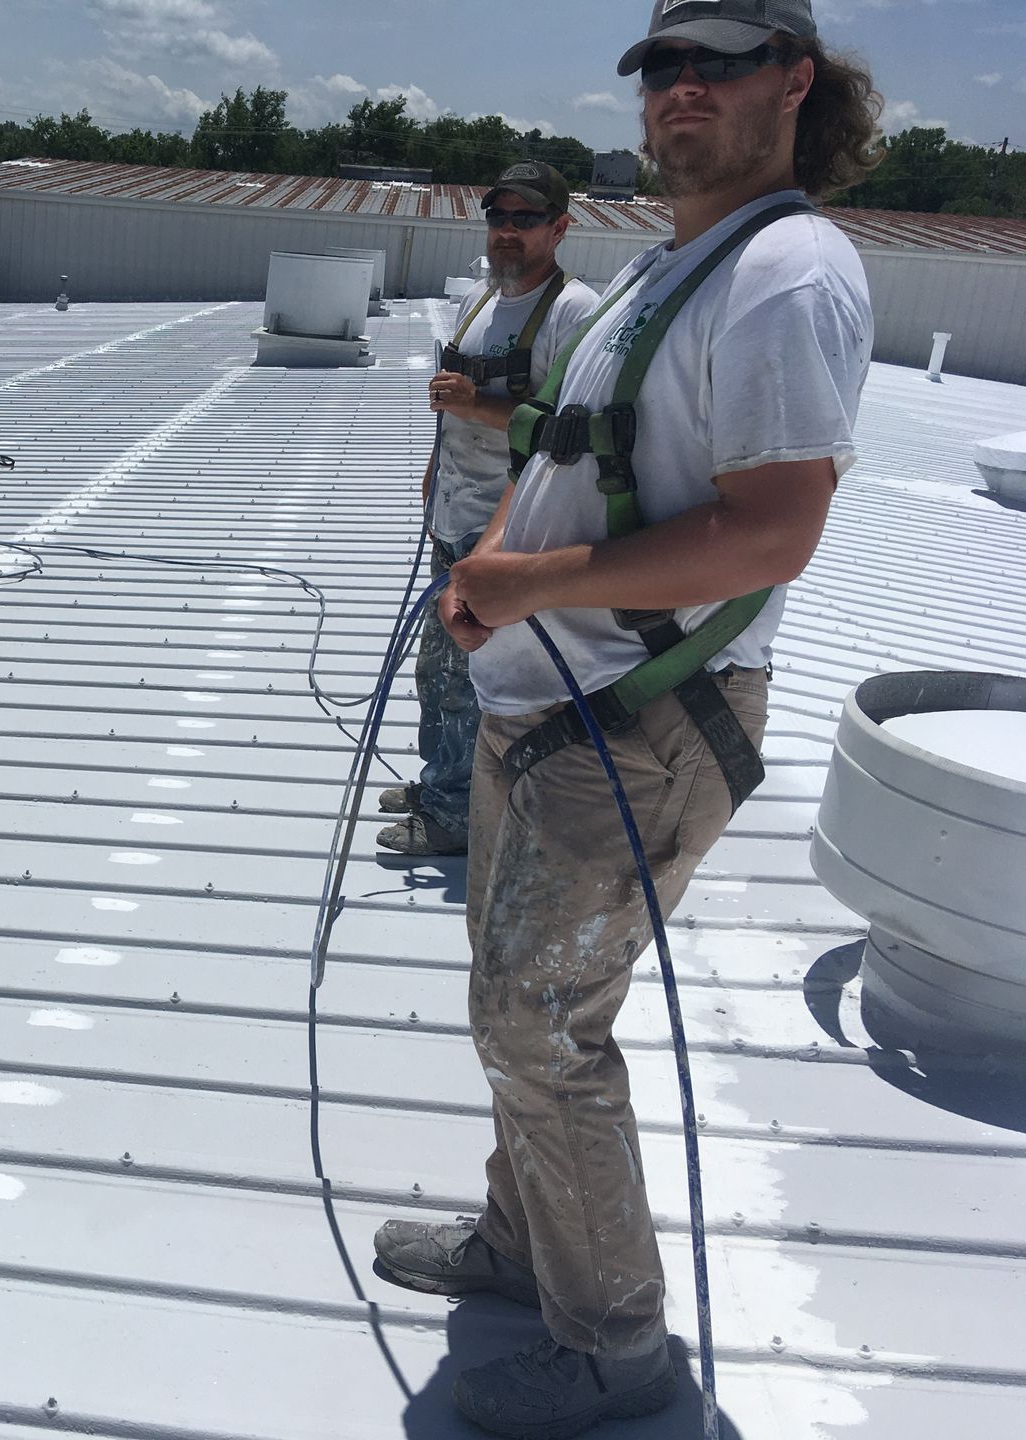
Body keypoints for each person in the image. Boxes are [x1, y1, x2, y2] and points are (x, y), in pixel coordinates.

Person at [373, 2, 881, 1435]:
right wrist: (498, 575)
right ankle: (522, 1244)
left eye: (719, 62)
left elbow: (771, 532)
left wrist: (530, 583)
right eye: (662, 66)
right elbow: (579, 460)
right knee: (512, 1010)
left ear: (796, 81)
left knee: (543, 1030)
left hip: (638, 724)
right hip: (552, 707)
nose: (681, 89)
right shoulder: (676, 263)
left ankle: (613, 1354)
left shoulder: (784, 273)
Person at [378, 162, 598, 858]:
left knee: (476, 677)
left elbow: (570, 435)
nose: (507, 231)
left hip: (505, 532)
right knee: (440, 672)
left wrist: (478, 406)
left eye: (525, 219)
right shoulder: (479, 299)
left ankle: (458, 814)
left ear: (559, 228)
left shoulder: (574, 313)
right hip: (454, 516)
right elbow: (457, 407)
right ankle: (445, 782)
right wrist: (435, 470)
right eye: (498, 217)